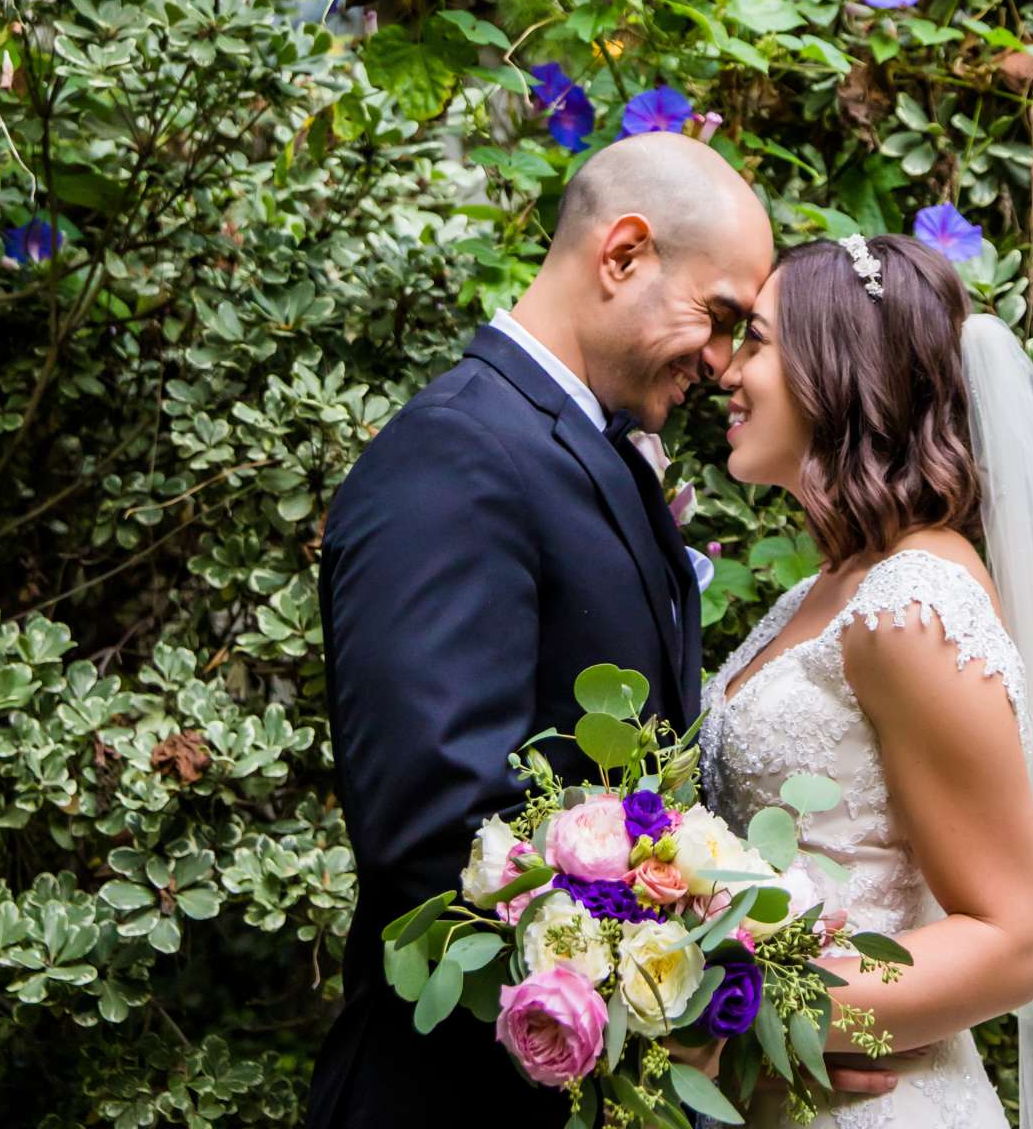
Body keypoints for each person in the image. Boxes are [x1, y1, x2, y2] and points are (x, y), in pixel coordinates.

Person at [305, 133, 896, 1125]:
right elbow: (437, 833)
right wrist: (721, 1011)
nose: (720, 364)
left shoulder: (586, 449)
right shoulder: (456, 455)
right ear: (621, 254)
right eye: (716, 319)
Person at [702, 232, 1033, 1129]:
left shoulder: (912, 603)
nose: (726, 371)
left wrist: (738, 1017)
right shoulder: (829, 589)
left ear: (836, 368)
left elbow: (1008, 944)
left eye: (758, 341)